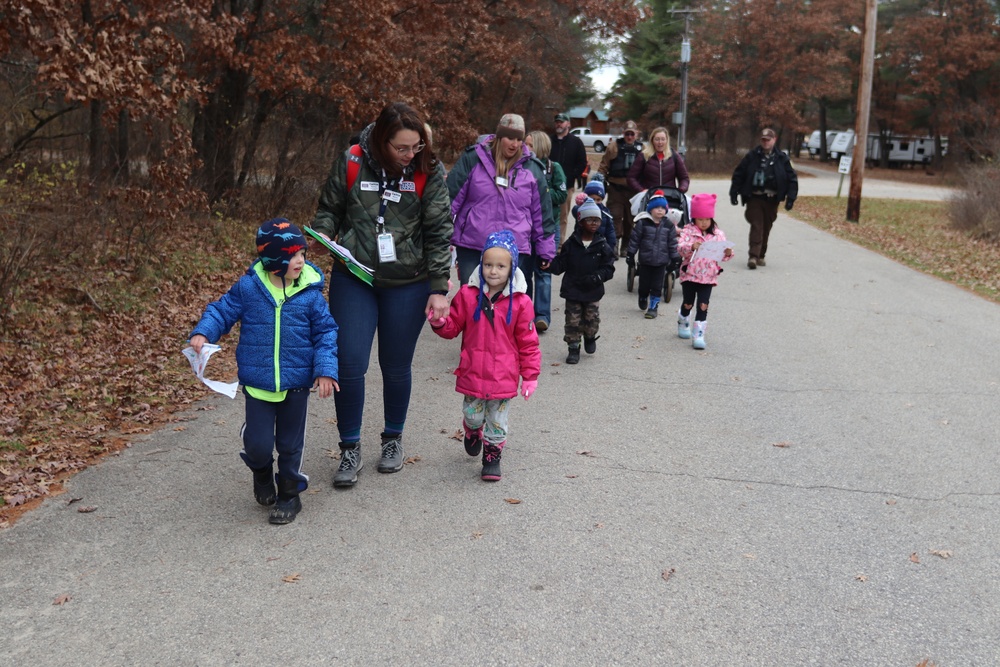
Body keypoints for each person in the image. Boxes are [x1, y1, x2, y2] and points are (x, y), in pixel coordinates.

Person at [311, 101, 453, 489]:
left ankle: (392, 440)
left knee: (395, 365)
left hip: (408, 282)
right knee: (349, 363)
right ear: (381, 141)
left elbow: (440, 231)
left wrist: (439, 288)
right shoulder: (353, 160)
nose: (410, 155)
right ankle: (349, 447)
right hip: (354, 276)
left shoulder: (428, 170)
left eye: (416, 147)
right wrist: (321, 235)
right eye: (402, 148)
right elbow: (330, 209)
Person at [189, 218, 339, 525]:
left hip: (296, 383)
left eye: (302, 254)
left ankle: (288, 494)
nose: (301, 260)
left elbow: (326, 333)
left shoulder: (310, 293)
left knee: (289, 444)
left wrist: (325, 369)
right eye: (293, 255)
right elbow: (222, 309)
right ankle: (260, 471)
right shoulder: (249, 288)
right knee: (258, 445)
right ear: (274, 260)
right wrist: (204, 332)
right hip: (258, 383)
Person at [429, 231, 541, 482]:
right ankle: (472, 430)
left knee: (498, 421)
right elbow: (453, 327)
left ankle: (492, 455)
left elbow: (529, 342)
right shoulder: (468, 296)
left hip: (504, 375)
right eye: (488, 264)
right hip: (473, 373)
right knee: (473, 414)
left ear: (512, 267)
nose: (493, 271)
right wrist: (439, 323)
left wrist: (530, 376)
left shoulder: (521, 302)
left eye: (501, 266)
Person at [447, 114, 555, 301]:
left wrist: (545, 249)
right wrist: (440, 237)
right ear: (498, 137)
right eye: (510, 138)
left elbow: (542, 213)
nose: (515, 144)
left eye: (519, 139)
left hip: (514, 248)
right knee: (472, 303)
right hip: (473, 244)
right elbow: (449, 199)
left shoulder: (533, 169)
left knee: (507, 306)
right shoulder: (473, 159)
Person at [547, 197, 616, 365]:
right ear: (580, 221)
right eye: (589, 219)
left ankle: (590, 336)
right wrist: (549, 265)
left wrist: (597, 277)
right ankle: (573, 347)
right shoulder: (571, 243)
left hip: (592, 290)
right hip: (573, 289)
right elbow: (561, 263)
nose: (594, 223)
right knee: (572, 320)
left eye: (597, 220)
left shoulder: (602, 245)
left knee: (591, 319)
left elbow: (609, 268)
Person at [729, 127, 798, 269]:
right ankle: (753, 256)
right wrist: (734, 192)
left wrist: (791, 198)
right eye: (763, 140)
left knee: (766, 227)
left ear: (774, 140)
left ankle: (761, 255)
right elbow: (739, 174)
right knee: (757, 225)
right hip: (754, 197)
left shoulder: (782, 158)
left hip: (772, 199)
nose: (765, 142)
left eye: (768, 140)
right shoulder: (752, 156)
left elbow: (792, 179)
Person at [676, 194, 733, 350]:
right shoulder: (688, 231)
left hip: (708, 276)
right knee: (688, 303)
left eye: (706, 220)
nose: (703, 223)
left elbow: (723, 254)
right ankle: (683, 321)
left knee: (703, 305)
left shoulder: (718, 234)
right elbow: (680, 248)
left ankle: (699, 335)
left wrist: (728, 252)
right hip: (690, 274)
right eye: (700, 219)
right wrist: (691, 247)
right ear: (694, 218)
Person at [525, 130, 568, 332]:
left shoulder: (554, 168)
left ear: (541, 147)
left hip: (547, 227)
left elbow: (561, 195)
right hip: (525, 229)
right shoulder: (522, 166)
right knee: (524, 273)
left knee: (543, 272)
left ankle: (542, 316)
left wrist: (542, 192)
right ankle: (525, 316)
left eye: (530, 145)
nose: (526, 148)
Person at [626, 190, 682, 320]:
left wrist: (675, 258)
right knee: (644, 284)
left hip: (661, 262)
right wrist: (630, 254)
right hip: (645, 260)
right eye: (657, 207)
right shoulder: (642, 223)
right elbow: (635, 240)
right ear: (650, 209)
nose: (660, 210)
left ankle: (653, 307)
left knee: (657, 286)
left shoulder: (668, 225)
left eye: (663, 208)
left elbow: (672, 243)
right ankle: (643, 296)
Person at [599, 120, 643, 257]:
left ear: (636, 134)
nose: (629, 137)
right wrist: (599, 182)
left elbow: (648, 168)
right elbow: (604, 165)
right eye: (627, 134)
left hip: (634, 191)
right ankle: (614, 244)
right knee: (614, 217)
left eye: (632, 134)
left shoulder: (643, 149)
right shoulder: (613, 147)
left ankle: (626, 245)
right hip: (615, 189)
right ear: (623, 134)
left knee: (631, 220)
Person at [549, 112, 589, 243]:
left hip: (566, 186)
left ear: (568, 124)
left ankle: (559, 244)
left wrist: (571, 176)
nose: (559, 123)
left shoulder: (576, 142)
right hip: (547, 185)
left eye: (562, 121)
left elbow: (582, 162)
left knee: (562, 216)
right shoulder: (549, 141)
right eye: (557, 121)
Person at [627, 126, 690, 198]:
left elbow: (684, 178)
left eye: (663, 139)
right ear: (652, 141)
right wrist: (641, 190)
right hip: (649, 197)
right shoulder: (644, 156)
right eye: (657, 139)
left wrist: (680, 190)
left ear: (667, 141)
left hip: (670, 197)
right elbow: (631, 177)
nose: (660, 142)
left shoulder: (674, 156)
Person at [582, 180, 617, 252]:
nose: (595, 202)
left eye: (598, 200)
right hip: (585, 245)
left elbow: (610, 231)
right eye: (592, 199)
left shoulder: (605, 212)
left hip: (600, 246)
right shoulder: (582, 210)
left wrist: (610, 248)